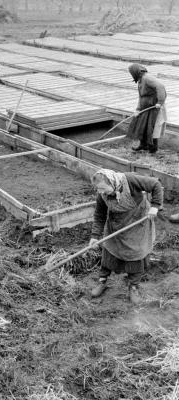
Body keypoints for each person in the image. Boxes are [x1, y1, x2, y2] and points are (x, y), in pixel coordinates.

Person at [89, 169, 163, 304]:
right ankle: (102, 281)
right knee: (110, 250)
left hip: (137, 222)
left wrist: (155, 206)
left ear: (111, 182)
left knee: (136, 253)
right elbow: (99, 215)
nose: (101, 193)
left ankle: (133, 287)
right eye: (98, 190)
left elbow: (155, 185)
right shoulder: (102, 194)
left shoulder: (129, 180)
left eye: (103, 189)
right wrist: (95, 236)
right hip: (116, 224)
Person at [126, 63, 167, 153]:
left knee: (152, 127)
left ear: (136, 72)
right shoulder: (140, 80)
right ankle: (143, 145)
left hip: (155, 107)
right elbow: (141, 97)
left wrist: (160, 102)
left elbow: (160, 86)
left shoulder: (147, 78)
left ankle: (153, 148)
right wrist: (138, 109)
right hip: (146, 107)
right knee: (142, 125)